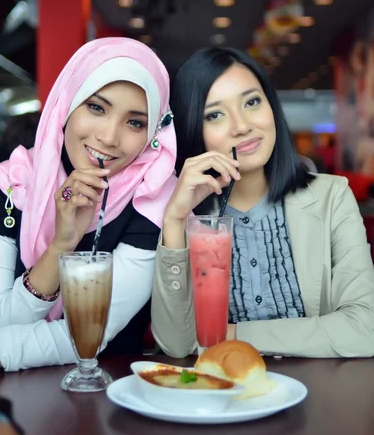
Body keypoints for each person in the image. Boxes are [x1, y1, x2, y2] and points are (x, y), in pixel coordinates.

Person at [151, 47, 374, 358]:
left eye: (252, 101)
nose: (241, 126)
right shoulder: (183, 217)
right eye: (215, 114)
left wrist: (232, 335)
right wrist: (175, 221)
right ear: (193, 129)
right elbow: (176, 345)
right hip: (220, 395)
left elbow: (364, 329)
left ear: (272, 107)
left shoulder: (332, 197)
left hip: (319, 398)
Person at [0, 37, 177, 371]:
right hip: (8, 402)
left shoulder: (153, 199)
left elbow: (88, 334)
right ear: (67, 105)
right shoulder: (11, 185)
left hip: (113, 397)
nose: (109, 137)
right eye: (97, 107)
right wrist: (61, 245)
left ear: (153, 132)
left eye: (135, 122)